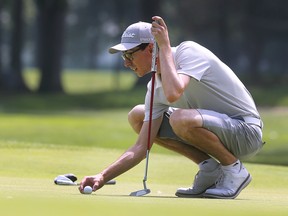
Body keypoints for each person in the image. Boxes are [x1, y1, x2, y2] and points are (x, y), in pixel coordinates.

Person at [78, 16, 264, 199]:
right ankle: (209, 168)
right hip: (219, 131)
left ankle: (234, 170)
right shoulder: (154, 88)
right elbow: (140, 148)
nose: (126, 63)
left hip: (246, 133)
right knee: (138, 116)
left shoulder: (188, 52)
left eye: (129, 55)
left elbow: (174, 92)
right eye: (124, 56)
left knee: (180, 119)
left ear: (151, 48)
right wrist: (102, 176)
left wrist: (164, 46)